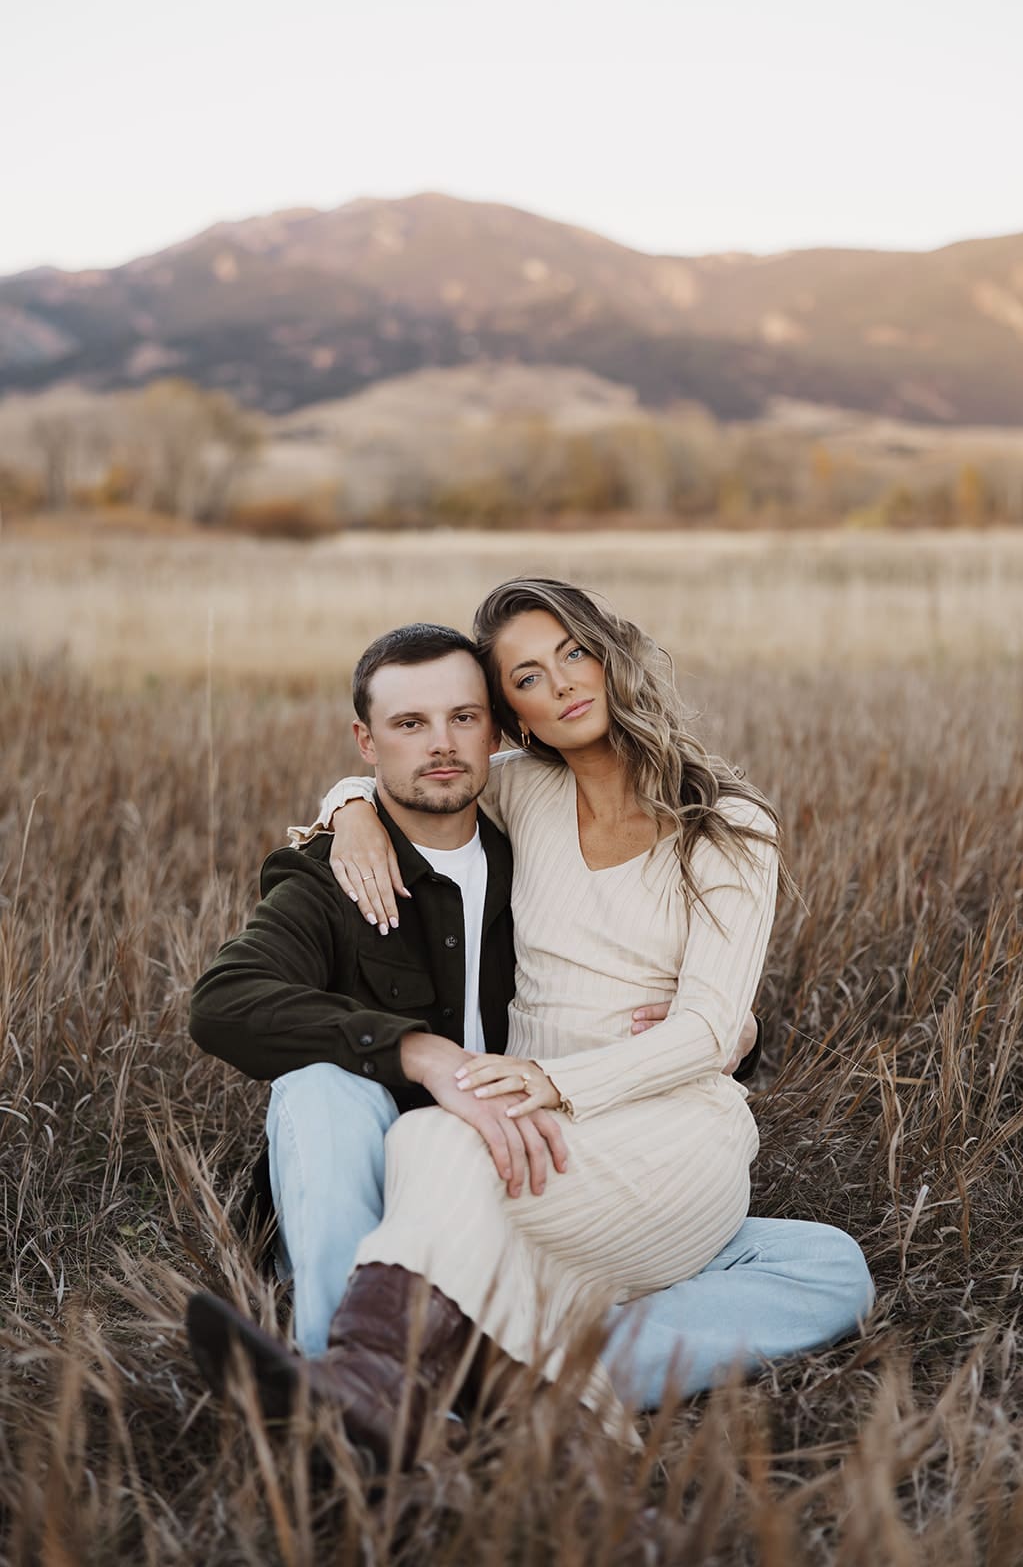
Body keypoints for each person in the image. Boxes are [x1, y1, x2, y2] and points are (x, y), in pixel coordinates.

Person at [188, 591, 874, 1464]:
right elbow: (411, 774)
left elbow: (709, 1023)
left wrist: (563, 1080)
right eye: (528, 677)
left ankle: (385, 1378)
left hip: (653, 1121)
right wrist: (348, 807)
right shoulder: (522, 794)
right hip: (529, 1135)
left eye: (572, 654)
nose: (561, 684)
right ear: (519, 718)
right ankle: (479, 1375)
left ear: (609, 653)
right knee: (424, 1134)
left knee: (440, 1144)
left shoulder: (728, 826)